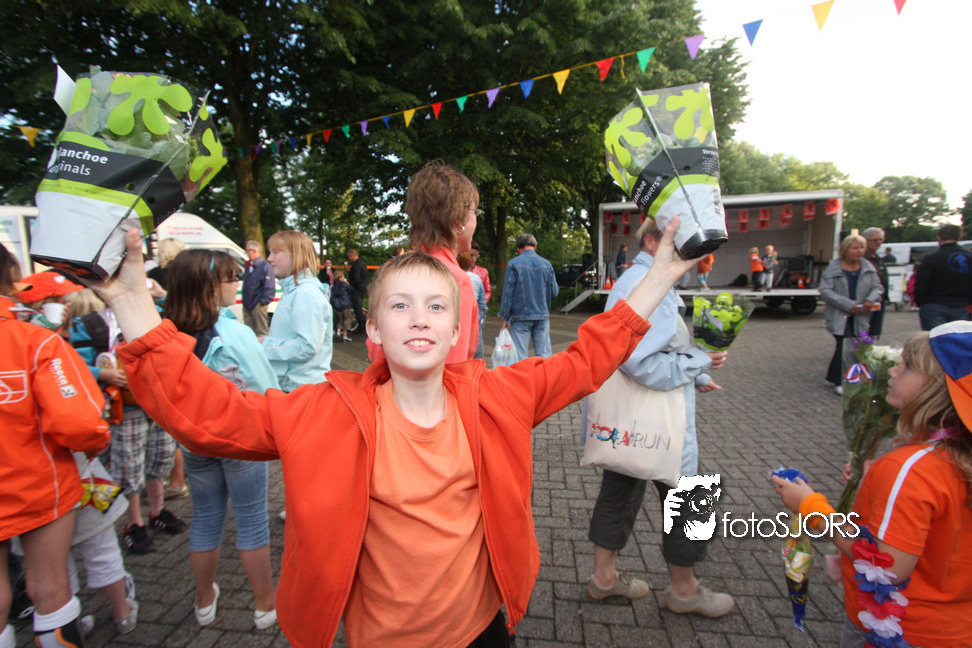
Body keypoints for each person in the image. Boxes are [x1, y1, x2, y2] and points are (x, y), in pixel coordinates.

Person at [89, 218, 697, 648]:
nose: (419, 319)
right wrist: (132, 300)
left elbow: (586, 360)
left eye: (435, 306)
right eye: (400, 306)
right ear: (373, 330)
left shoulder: (498, 396)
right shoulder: (325, 413)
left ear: (456, 330)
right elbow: (211, 413)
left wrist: (661, 276)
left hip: (483, 629)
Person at [772, 321, 972, 648]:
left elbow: (885, 564)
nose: (892, 371)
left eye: (907, 367)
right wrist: (873, 483)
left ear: (939, 389)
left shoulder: (908, 469)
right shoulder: (954, 458)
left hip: (900, 630)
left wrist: (810, 506)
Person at [585, 218, 733, 617]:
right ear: (652, 242)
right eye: (682, 244)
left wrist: (693, 374)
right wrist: (699, 361)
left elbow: (647, 351)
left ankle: (603, 578)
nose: (691, 254)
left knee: (619, 490)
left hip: (630, 422)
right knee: (690, 495)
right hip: (659, 422)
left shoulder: (635, 279)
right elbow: (641, 362)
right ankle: (685, 590)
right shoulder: (649, 284)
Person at [1, 243, 111, 648]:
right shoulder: (35, 342)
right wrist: (96, 441)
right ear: (12, 279)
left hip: (32, 484)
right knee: (48, 587)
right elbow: (78, 422)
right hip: (35, 484)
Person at [162, 249, 278, 630]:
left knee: (205, 518)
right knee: (252, 519)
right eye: (231, 278)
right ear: (211, 287)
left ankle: (203, 600)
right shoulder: (234, 334)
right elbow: (266, 388)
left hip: (194, 442)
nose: (237, 285)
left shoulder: (166, 336)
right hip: (238, 440)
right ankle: (264, 604)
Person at [71, 303, 188, 555]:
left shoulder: (154, 312)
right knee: (128, 464)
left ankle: (157, 511)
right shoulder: (89, 324)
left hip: (157, 399)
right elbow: (73, 363)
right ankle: (134, 521)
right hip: (125, 405)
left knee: (161, 456)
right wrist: (102, 374)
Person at [367, 159, 480, 364]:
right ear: (459, 221)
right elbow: (452, 368)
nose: (476, 220)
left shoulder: (392, 274)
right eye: (475, 212)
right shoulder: (454, 281)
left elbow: (376, 351)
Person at [262, 231, 332, 392]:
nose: (269, 258)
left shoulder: (306, 293)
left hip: (301, 388)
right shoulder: (293, 291)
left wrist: (264, 344)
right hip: (293, 385)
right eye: (269, 252)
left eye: (275, 252)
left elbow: (307, 346)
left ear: (296, 255)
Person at [820, 234, 883, 395]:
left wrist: (869, 300)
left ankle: (831, 376)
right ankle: (841, 381)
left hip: (862, 314)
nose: (859, 251)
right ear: (845, 250)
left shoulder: (868, 267)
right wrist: (848, 305)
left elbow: (878, 287)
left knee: (854, 345)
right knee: (845, 345)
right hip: (839, 314)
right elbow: (826, 291)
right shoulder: (834, 268)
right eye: (855, 248)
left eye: (862, 247)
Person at [499, 233, 559, 360]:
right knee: (544, 357)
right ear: (535, 247)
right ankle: (545, 373)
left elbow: (508, 294)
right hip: (542, 315)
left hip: (520, 317)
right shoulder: (547, 264)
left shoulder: (513, 264)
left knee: (521, 358)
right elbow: (554, 292)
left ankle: (523, 374)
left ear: (518, 248)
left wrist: (505, 317)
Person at [914, 223, 972, 331]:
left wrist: (921, 302)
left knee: (936, 337)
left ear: (939, 237)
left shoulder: (931, 259)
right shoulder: (969, 257)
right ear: (960, 237)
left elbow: (921, 283)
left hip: (933, 304)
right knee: (957, 338)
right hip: (961, 304)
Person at [241, 240, 276, 337]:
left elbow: (269, 287)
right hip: (247, 303)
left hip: (258, 304)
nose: (246, 253)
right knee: (248, 332)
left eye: (248, 250)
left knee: (262, 332)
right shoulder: (249, 265)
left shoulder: (265, 266)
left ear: (255, 251)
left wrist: (262, 303)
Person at [457, 250, 487, 360]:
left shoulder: (450, 276)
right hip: (474, 318)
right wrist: (481, 318)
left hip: (457, 319)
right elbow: (482, 304)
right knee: (476, 353)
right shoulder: (476, 279)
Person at [862, 227, 891, 338]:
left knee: (875, 333)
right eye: (874, 240)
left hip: (880, 300)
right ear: (865, 240)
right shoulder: (862, 259)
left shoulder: (878, 258)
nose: (878, 242)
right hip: (866, 301)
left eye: (880, 239)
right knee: (863, 333)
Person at [346, 248, 368, 334]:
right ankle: (362, 327)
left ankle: (362, 328)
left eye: (349, 257)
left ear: (352, 255)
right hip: (362, 288)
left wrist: (350, 284)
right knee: (359, 309)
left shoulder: (356, 265)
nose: (349, 259)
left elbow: (356, 278)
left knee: (357, 309)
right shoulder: (362, 263)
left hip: (357, 290)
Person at [330, 270, 355, 342]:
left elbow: (332, 297)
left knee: (340, 320)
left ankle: (338, 332)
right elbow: (352, 291)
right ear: (340, 278)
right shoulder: (344, 285)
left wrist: (334, 306)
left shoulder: (333, 286)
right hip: (345, 305)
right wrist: (348, 284)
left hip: (337, 306)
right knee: (346, 320)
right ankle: (345, 336)